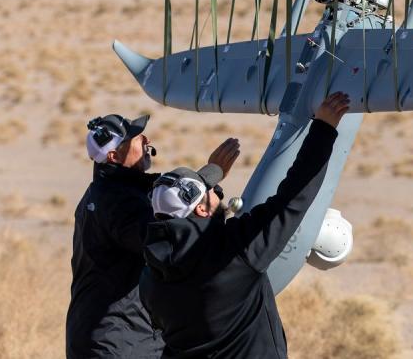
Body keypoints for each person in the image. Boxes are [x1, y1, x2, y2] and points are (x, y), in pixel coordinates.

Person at [139, 92, 351, 359]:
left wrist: (210, 178)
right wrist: (323, 128)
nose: (218, 191)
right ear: (202, 209)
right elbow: (294, 197)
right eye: (212, 191)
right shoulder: (234, 251)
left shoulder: (151, 276)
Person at [65, 112, 240, 359]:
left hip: (109, 334)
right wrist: (211, 183)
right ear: (114, 156)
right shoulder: (119, 203)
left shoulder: (107, 192)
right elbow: (170, 242)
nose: (145, 139)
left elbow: (170, 198)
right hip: (118, 341)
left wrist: (208, 180)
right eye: (136, 138)